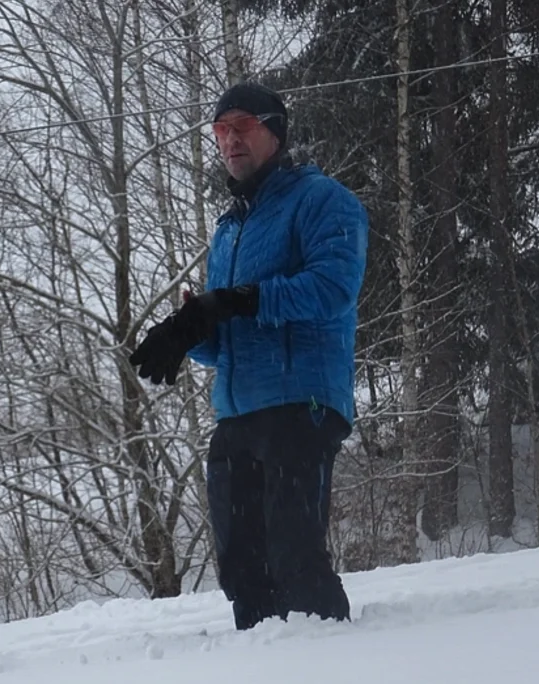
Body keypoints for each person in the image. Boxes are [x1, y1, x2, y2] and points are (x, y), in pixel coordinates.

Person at [128, 82, 368, 630]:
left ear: (275, 132)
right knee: (242, 567)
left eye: (242, 127)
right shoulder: (229, 228)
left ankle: (331, 661)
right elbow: (227, 336)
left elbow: (333, 289)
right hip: (236, 411)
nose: (229, 140)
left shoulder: (322, 200)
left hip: (300, 401)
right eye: (220, 131)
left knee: (292, 557)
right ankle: (262, 662)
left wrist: (234, 299)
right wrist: (193, 328)